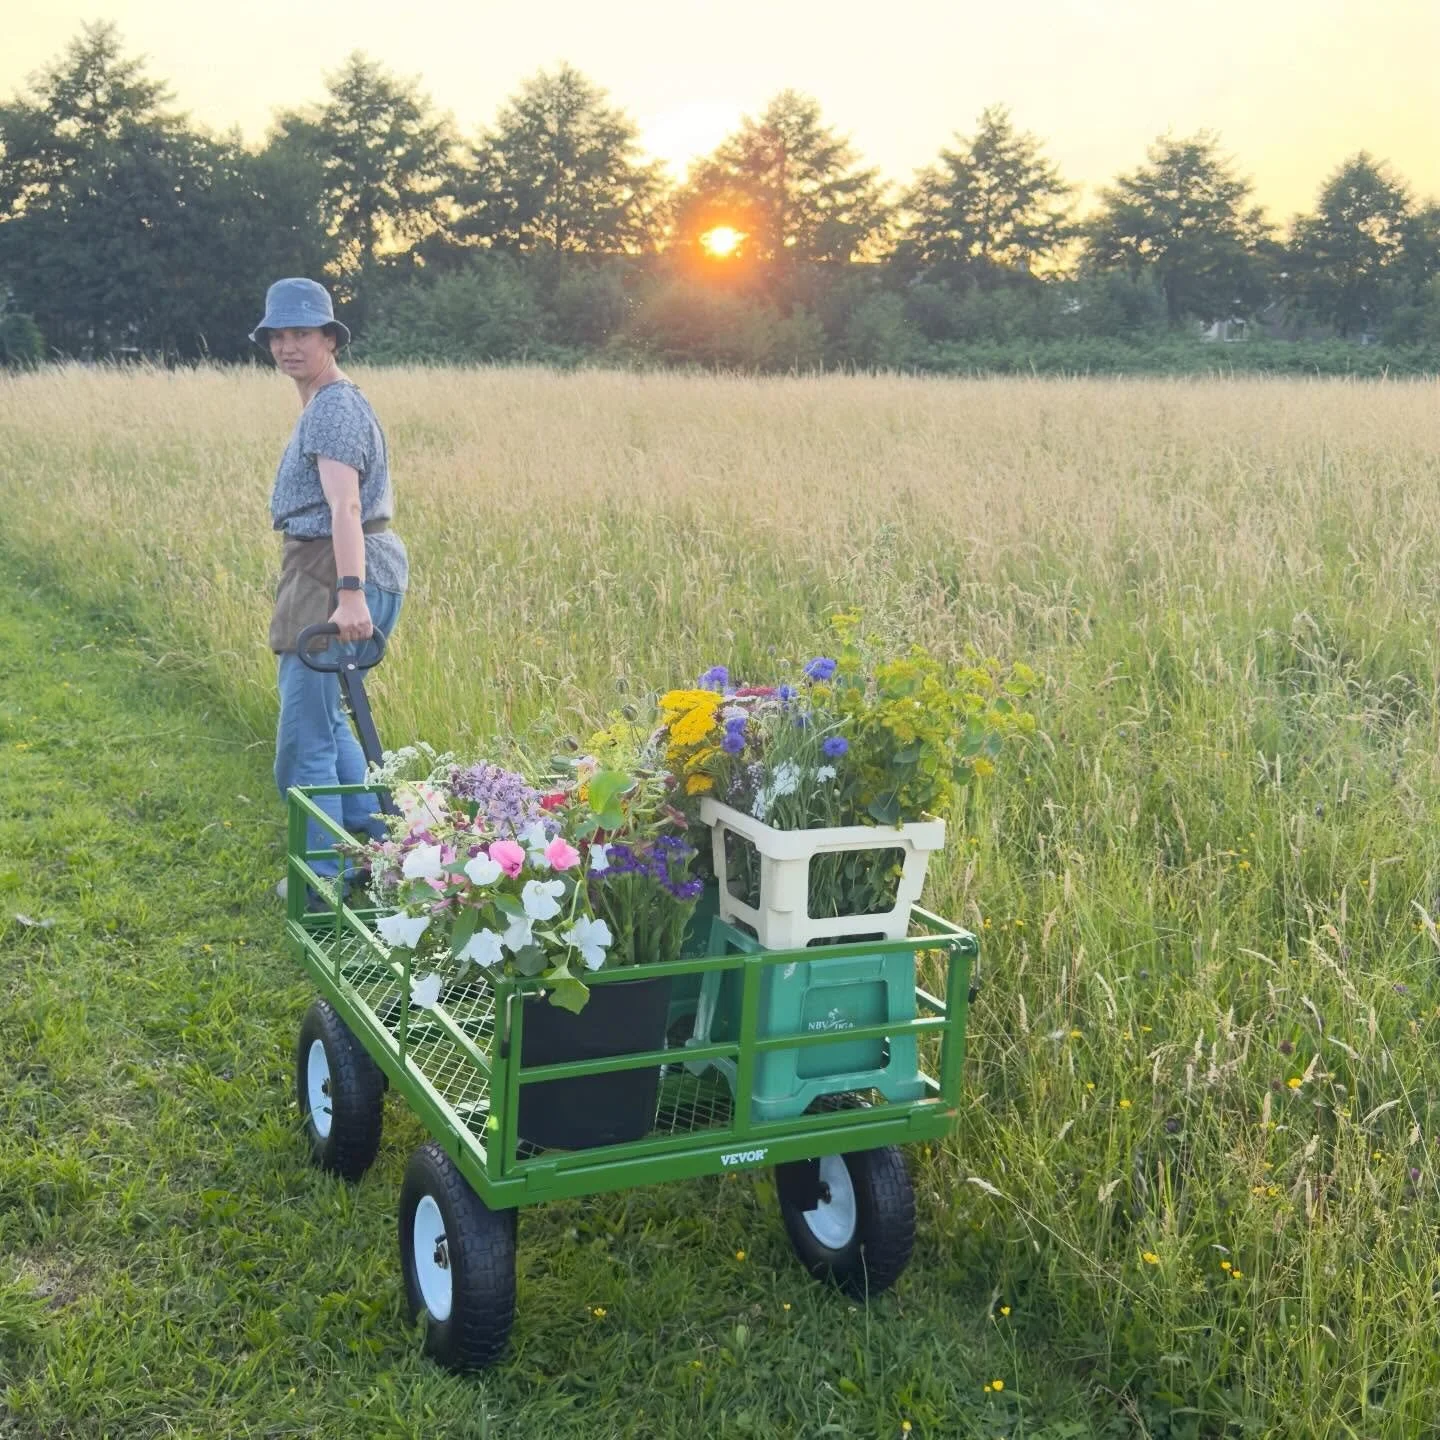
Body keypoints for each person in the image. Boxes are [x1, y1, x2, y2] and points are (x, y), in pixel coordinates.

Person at [252, 277, 409, 905]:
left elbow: (345, 506)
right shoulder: (325, 401)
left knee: (304, 742)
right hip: (326, 569)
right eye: (278, 336)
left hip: (335, 574)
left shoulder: (334, 406)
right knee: (332, 724)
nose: (289, 346)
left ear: (330, 338)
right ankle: (372, 854)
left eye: (302, 334)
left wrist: (350, 595)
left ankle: (321, 886)